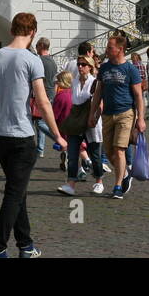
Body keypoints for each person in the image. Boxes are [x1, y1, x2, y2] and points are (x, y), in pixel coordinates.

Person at [0, 12, 62, 258]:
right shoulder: (31, 59)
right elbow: (43, 101)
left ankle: (26, 244)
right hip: (21, 134)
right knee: (14, 192)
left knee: (19, 188)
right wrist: (57, 134)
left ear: (12, 30)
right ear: (33, 32)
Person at [95, 34, 145, 200]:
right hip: (107, 114)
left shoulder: (130, 69)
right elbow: (98, 92)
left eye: (110, 47)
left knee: (119, 149)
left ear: (120, 50)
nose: (107, 50)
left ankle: (117, 186)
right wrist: (93, 113)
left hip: (126, 113)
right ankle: (124, 174)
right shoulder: (104, 68)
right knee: (109, 152)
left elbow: (138, 95)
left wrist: (141, 118)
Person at [58, 58, 105, 196]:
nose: (80, 67)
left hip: (91, 122)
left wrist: (94, 118)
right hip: (77, 120)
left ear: (90, 67)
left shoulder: (95, 82)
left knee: (94, 154)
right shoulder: (74, 81)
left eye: (83, 64)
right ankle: (71, 184)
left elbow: (100, 103)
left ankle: (99, 181)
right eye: (79, 64)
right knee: (72, 154)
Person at [32, 37, 59, 156]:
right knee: (40, 121)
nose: (36, 47)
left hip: (44, 94)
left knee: (40, 123)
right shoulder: (52, 61)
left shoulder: (39, 61)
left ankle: (58, 139)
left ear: (42, 46)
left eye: (37, 45)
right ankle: (40, 149)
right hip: (51, 93)